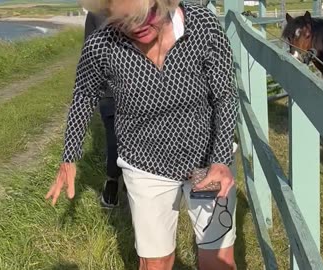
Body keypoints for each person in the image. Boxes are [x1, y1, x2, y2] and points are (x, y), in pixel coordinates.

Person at [45, 0, 239, 269]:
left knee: (217, 260)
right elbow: (84, 95)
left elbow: (224, 95)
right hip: (145, 162)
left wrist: (220, 159)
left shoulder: (202, 25)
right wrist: (69, 156)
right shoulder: (102, 44)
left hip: (206, 160)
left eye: (146, 16)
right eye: (125, 21)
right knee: (155, 262)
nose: (137, 27)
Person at [83, 11, 123, 208]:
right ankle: (114, 184)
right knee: (116, 139)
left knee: (114, 140)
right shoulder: (94, 14)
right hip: (113, 91)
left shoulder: (95, 13)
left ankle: (114, 184)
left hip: (120, 90)